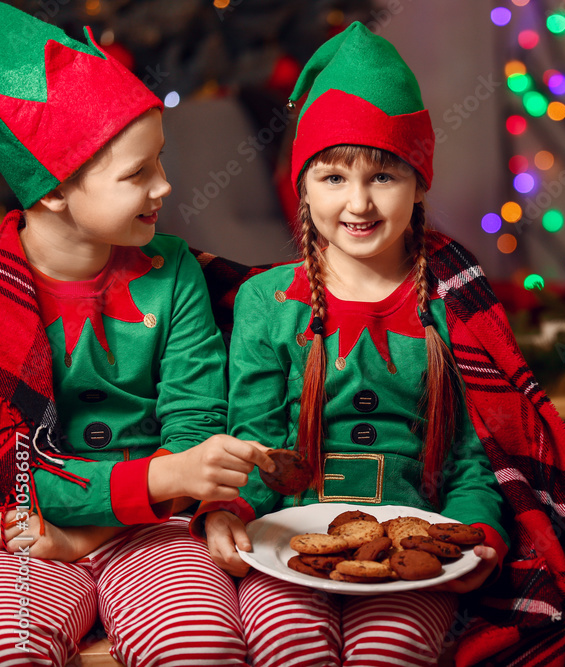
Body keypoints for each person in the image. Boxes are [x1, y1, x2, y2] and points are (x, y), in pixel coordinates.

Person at [197, 22, 510, 666]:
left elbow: (473, 458)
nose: (359, 202)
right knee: (286, 646)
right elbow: (254, 440)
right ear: (302, 186)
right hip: (285, 543)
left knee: (387, 654)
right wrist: (227, 511)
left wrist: (477, 534)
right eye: (333, 177)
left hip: (414, 550)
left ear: (420, 181)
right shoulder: (268, 304)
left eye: (384, 176)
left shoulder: (453, 299)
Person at [0, 6, 272, 665]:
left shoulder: (172, 270)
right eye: (136, 174)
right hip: (25, 533)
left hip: (158, 527)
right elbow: (14, 470)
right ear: (53, 190)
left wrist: (160, 492)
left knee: (202, 644)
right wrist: (165, 474)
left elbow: (193, 422)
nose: (165, 185)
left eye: (161, 161)